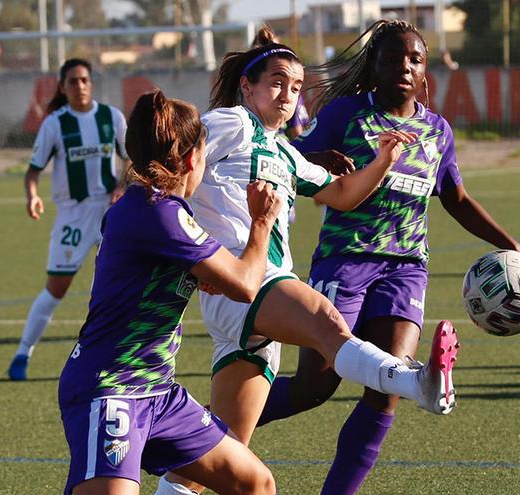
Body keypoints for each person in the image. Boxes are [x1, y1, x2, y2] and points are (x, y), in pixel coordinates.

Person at [158, 35, 458, 495]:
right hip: (246, 281)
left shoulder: (282, 151)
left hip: (248, 300)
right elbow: (177, 168)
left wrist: (382, 161)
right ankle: (420, 382)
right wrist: (186, 249)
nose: (286, 95)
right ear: (247, 86)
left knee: (221, 454)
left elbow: (341, 194)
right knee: (328, 324)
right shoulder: (230, 123)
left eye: (296, 88)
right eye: (276, 83)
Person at [254, 20, 520, 494]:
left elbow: (456, 198)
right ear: (373, 68)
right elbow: (287, 159)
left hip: (406, 270)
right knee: (313, 388)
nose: (404, 66)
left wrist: (509, 245)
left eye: (415, 59)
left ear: (425, 75)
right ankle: (203, 433)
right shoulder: (346, 115)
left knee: (387, 393)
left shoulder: (436, 131)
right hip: (344, 262)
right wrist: (321, 161)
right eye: (392, 58)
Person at [58, 90, 280, 495]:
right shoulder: (160, 214)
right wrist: (261, 222)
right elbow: (247, 285)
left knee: (255, 483)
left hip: (158, 392)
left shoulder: (152, 208)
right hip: (113, 390)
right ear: (192, 158)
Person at [8, 58, 129, 381]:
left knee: (110, 289)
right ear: (63, 87)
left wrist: (121, 186)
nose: (80, 86)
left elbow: (132, 162)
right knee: (55, 289)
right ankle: (23, 352)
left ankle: (108, 360)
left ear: (91, 83)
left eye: (85, 80)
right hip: (72, 217)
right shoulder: (55, 124)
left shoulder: (111, 117)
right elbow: (32, 171)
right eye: (73, 81)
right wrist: (32, 195)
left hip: (107, 214)